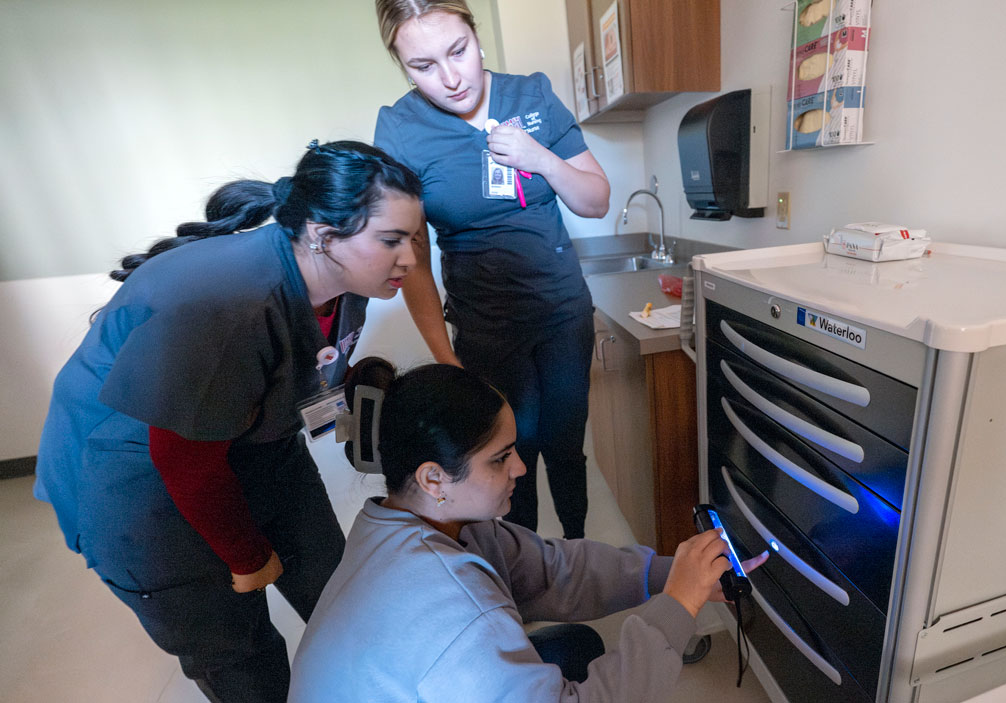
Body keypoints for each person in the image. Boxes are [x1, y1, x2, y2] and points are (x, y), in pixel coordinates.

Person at [33, 140, 425, 703]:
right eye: (391, 240)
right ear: (322, 233)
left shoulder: (345, 282)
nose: (410, 257)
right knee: (243, 660)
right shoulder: (231, 305)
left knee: (344, 601)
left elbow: (301, 369)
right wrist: (249, 556)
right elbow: (184, 463)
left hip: (250, 444)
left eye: (414, 238)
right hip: (137, 478)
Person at [288, 358, 767, 702]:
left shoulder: (418, 520)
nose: (520, 467)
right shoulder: (451, 604)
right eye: (500, 459)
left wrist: (672, 575)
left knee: (576, 647)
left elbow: (555, 570)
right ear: (434, 478)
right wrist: (679, 606)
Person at [373, 0, 611, 538]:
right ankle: (522, 561)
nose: (451, 78)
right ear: (403, 67)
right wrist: (446, 359)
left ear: (476, 37)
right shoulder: (401, 130)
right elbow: (413, 260)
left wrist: (540, 158)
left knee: (565, 443)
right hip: (486, 329)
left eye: (458, 51)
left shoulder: (532, 96)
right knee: (508, 450)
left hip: (562, 314)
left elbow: (596, 201)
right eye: (423, 66)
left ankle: (576, 543)